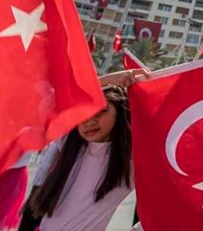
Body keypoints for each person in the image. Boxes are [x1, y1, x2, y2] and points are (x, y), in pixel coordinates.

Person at [28, 80, 138, 231]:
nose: (90, 121)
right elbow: (46, 103)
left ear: (120, 111)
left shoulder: (129, 160)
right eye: (81, 114)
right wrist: (112, 80)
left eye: (101, 111)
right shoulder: (72, 147)